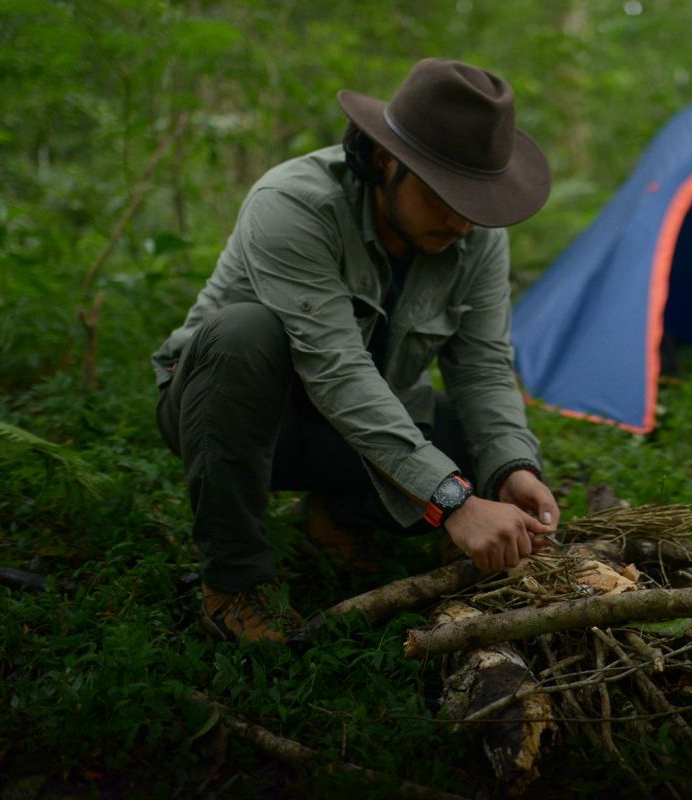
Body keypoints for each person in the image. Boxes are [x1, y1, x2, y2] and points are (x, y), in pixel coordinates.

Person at [152, 58, 561, 644]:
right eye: (443, 193)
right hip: (226, 411)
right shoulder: (293, 203)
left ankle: (338, 516)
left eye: (474, 200)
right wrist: (452, 502)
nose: (460, 219)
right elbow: (335, 367)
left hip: (343, 428)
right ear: (384, 158)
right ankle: (236, 581)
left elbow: (482, 367)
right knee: (243, 334)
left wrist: (512, 466)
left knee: (473, 446)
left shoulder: (477, 237)